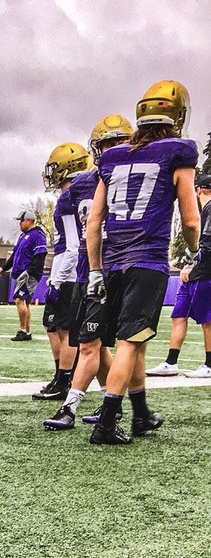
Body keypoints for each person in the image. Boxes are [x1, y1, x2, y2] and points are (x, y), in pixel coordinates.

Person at [85, 79, 199, 445]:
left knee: (137, 338)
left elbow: (94, 222)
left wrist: (96, 268)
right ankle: (106, 421)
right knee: (129, 343)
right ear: (178, 115)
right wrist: (196, 251)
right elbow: (191, 218)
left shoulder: (113, 157)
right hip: (146, 260)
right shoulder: (178, 153)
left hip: (113, 260)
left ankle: (141, 412)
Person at [43, 114, 133, 431]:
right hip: (86, 271)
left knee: (93, 343)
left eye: (119, 143)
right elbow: (74, 240)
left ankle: (71, 405)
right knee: (98, 344)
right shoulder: (79, 186)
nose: (112, 150)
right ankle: (119, 405)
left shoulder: (133, 180)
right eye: (107, 144)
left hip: (116, 269)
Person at [33, 142, 90, 407]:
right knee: (52, 327)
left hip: (68, 273)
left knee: (64, 329)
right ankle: (63, 376)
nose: (51, 172)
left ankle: (64, 379)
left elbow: (73, 244)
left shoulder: (72, 195)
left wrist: (57, 279)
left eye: (56, 167)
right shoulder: (82, 191)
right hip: (66, 270)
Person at [147, 172, 211, 380]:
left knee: (207, 320)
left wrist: (192, 265)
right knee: (178, 315)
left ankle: (209, 364)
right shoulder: (204, 211)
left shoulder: (209, 209)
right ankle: (171, 362)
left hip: (205, 273)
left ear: (198, 190)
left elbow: (208, 244)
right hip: (195, 272)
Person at [0, 211, 48, 340]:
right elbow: (14, 256)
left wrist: (30, 271)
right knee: (26, 302)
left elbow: (40, 255)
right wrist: (3, 268)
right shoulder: (22, 236)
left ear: (29, 221)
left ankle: (22, 330)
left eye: (21, 220)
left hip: (28, 274)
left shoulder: (37, 235)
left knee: (19, 300)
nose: (20, 223)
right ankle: (27, 331)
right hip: (19, 273)